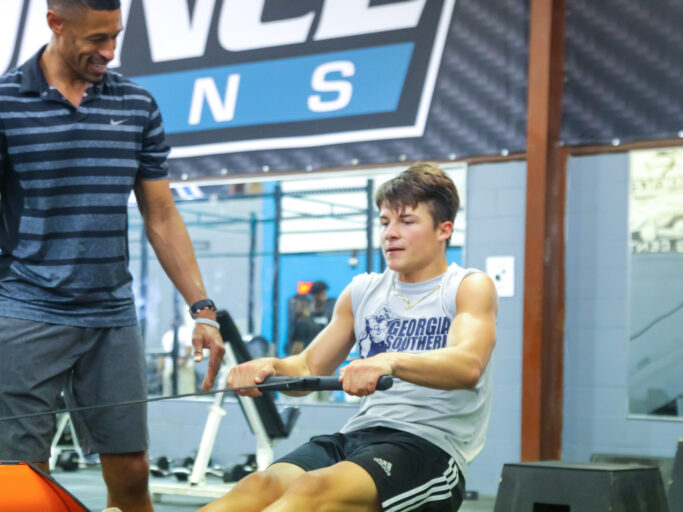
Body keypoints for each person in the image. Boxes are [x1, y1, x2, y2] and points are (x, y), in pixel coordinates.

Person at [0, 1, 225, 511]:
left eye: (115, 37)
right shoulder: (6, 102)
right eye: (96, 38)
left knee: (131, 471)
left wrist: (203, 310)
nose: (108, 51)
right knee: (23, 481)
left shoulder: (137, 104)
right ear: (56, 24)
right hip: (24, 309)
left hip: (110, 316)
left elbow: (161, 214)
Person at [201, 163, 497, 512]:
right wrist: (270, 367)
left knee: (311, 492)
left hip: (428, 447)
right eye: (385, 222)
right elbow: (309, 366)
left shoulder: (467, 287)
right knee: (258, 485)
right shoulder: (362, 292)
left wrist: (389, 361)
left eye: (407, 221)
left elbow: (468, 365)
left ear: (443, 229)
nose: (390, 233)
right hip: (358, 435)